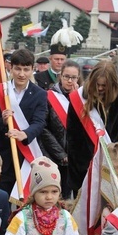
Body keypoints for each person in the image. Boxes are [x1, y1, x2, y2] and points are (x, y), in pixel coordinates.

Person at [0, 49, 47, 196]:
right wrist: (2, 121)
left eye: (26, 69)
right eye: (18, 69)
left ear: (32, 70)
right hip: (2, 158)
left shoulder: (40, 94)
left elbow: (39, 122)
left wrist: (25, 134)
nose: (21, 74)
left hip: (26, 157)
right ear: (11, 68)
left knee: (23, 206)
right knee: (0, 203)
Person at [66, 60, 118, 194]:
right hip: (84, 169)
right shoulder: (80, 97)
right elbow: (72, 136)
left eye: (105, 85)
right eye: (97, 85)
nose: (100, 88)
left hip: (111, 166)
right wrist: (81, 167)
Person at [39, 59, 79, 199]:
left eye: (73, 77)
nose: (69, 80)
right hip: (53, 156)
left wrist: (78, 101)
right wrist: (61, 154)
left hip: (75, 157)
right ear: (60, 76)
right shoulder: (48, 96)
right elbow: (43, 129)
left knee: (70, 199)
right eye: (66, 76)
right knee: (54, 197)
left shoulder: (83, 99)